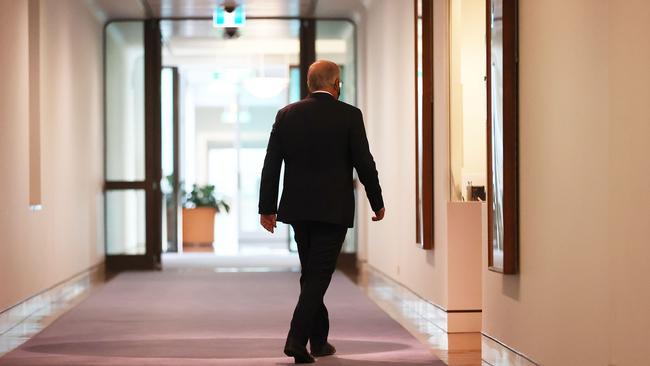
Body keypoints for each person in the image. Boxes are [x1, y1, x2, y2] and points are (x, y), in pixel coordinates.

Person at [258, 60, 385, 364]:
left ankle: (320, 340)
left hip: (299, 210)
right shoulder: (349, 116)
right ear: (336, 84)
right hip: (333, 209)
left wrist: (267, 208)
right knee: (318, 275)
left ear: (309, 84)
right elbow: (364, 162)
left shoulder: (286, 115)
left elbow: (271, 165)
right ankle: (297, 339)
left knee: (312, 274)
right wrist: (376, 199)